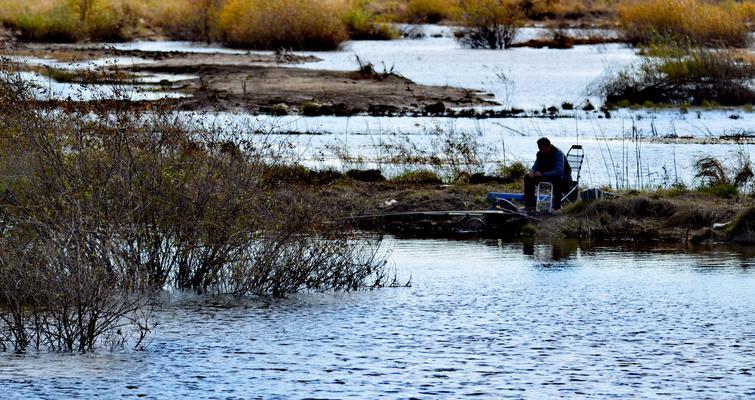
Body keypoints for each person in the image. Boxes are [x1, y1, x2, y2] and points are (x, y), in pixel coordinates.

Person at [524, 138, 572, 211]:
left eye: (543, 149)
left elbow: (559, 172)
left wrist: (542, 174)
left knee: (557, 179)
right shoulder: (540, 154)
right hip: (547, 178)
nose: (541, 151)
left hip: (563, 180)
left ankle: (557, 207)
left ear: (549, 146)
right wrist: (532, 172)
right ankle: (530, 204)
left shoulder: (558, 154)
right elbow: (535, 166)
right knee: (527, 177)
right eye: (540, 149)